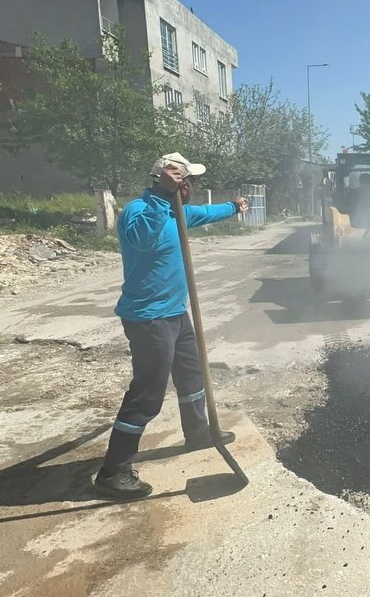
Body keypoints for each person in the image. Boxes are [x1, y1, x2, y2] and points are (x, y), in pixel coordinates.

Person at [94, 152, 249, 500]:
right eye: (188, 181)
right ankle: (113, 471)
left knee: (193, 375)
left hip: (176, 313)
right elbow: (143, 239)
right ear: (172, 181)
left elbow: (205, 213)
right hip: (149, 317)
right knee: (147, 393)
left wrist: (234, 207)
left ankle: (198, 433)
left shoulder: (177, 212)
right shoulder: (140, 210)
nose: (192, 187)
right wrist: (162, 198)